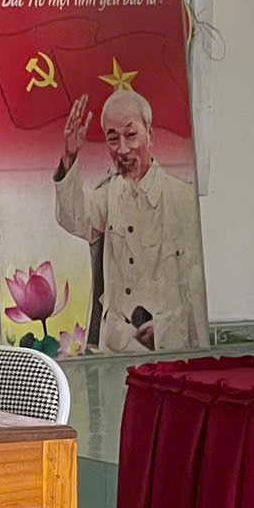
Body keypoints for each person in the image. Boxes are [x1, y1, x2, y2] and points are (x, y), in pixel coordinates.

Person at [53, 85, 205, 351]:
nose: (122, 149)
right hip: (117, 346)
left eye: (131, 135)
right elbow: (75, 218)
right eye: (113, 139)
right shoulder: (109, 194)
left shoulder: (182, 199)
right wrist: (70, 156)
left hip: (169, 345)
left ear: (150, 134)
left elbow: (194, 290)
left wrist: (164, 327)